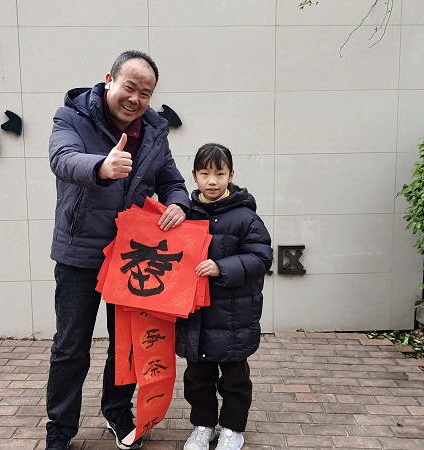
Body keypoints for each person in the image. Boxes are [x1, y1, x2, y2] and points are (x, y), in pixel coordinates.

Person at [46, 50, 190, 450]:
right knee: (70, 346)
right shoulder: (71, 116)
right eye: (130, 86)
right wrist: (101, 167)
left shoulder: (154, 132)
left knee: (126, 345)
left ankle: (117, 411)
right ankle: (60, 428)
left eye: (145, 92)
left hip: (132, 257)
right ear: (109, 79)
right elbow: (62, 159)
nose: (135, 98)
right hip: (80, 252)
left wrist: (179, 204)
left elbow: (172, 181)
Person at [175, 143, 273, 450]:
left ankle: (232, 430)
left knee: (234, 380)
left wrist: (222, 267)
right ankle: (203, 427)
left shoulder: (245, 217)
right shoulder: (186, 214)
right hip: (195, 317)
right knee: (197, 379)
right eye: (205, 173)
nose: (212, 181)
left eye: (219, 173)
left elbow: (261, 257)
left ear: (231, 175)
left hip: (233, 317)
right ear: (194, 176)